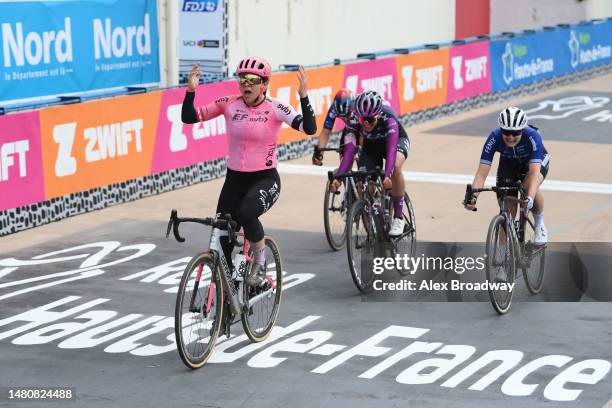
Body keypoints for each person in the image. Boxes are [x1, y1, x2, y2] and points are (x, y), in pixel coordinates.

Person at [181, 57, 317, 286]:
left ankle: (261, 262)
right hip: (234, 181)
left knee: (246, 213)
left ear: (264, 84)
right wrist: (191, 91)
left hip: (265, 179)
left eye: (253, 80)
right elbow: (188, 117)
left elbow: (309, 128)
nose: (246, 84)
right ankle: (228, 298)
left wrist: (303, 96)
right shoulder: (229, 103)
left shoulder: (276, 107)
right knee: (220, 238)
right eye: (243, 79)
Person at [464, 106, 549, 244]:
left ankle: (540, 224)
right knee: (507, 209)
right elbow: (481, 173)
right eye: (506, 132)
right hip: (509, 164)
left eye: (515, 133)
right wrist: (473, 197)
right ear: (501, 130)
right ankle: (503, 257)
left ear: (522, 129)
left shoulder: (533, 136)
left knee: (529, 186)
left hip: (534, 164)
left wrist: (530, 198)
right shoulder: (494, 138)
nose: (510, 137)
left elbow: (534, 172)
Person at [332, 90, 411, 236]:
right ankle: (373, 210)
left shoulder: (388, 118)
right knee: (362, 182)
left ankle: (399, 218)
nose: (366, 124)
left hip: (395, 141)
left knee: (396, 167)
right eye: (363, 120)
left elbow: (392, 150)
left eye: (371, 120)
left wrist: (388, 175)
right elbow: (349, 151)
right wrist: (339, 178)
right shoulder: (354, 121)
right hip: (372, 146)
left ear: (378, 115)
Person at [311, 88, 358, 166]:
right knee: (344, 161)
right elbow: (325, 132)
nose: (345, 119)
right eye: (341, 117)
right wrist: (319, 154)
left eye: (346, 115)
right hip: (350, 129)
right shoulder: (333, 109)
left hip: (364, 128)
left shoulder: (359, 105)